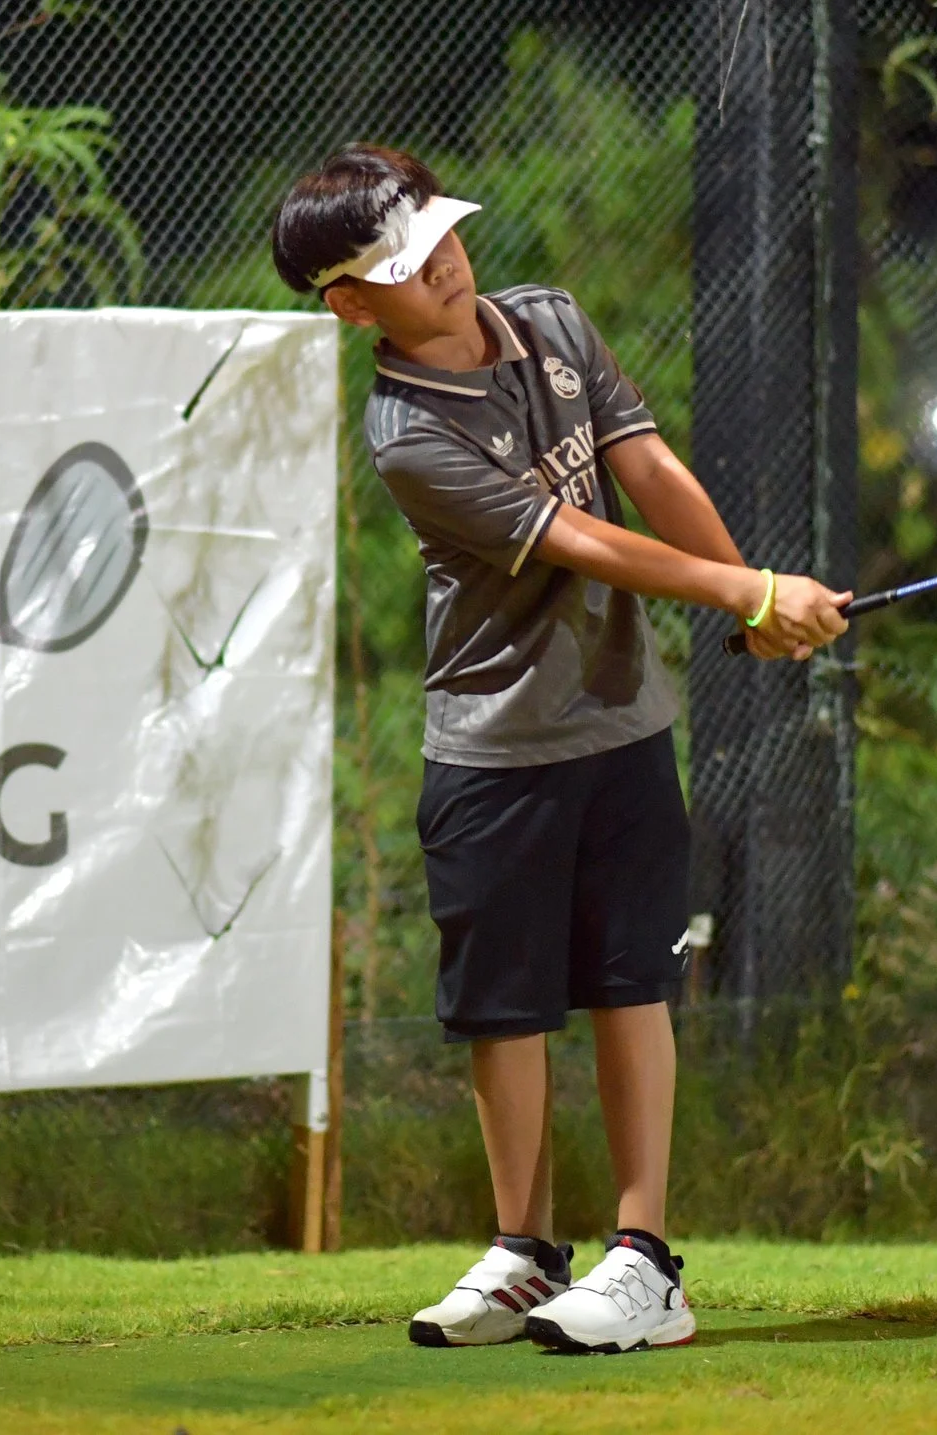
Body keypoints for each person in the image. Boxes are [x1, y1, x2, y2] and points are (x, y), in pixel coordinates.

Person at [270, 144, 849, 1354]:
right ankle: (527, 1250)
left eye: (440, 235)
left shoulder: (549, 323)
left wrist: (747, 598)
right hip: (492, 747)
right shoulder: (406, 435)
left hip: (621, 719)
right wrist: (749, 593)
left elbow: (647, 472)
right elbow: (587, 541)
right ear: (347, 302)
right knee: (506, 1009)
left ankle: (643, 1260)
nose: (443, 264)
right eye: (405, 261)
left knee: (631, 980)